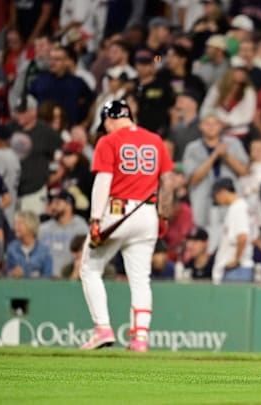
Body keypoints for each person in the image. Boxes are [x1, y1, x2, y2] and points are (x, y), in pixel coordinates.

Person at [79, 99, 175, 352]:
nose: (106, 128)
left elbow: (103, 181)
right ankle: (140, 338)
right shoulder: (155, 140)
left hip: (116, 211)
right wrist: (163, 216)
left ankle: (102, 328)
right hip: (147, 213)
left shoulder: (108, 141)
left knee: (89, 269)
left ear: (110, 119)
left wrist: (95, 219)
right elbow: (168, 181)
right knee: (141, 278)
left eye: (105, 124)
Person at [211, 177, 254, 283]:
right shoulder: (239, 206)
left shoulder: (238, 208)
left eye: (216, 195)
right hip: (237, 269)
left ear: (223, 192)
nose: (216, 199)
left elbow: (242, 237)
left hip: (237, 270)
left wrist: (236, 260)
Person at [37, 190, 89, 276]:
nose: (53, 207)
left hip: (71, 276)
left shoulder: (81, 227)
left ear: (69, 206)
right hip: (46, 279)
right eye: (52, 203)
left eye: (57, 203)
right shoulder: (44, 228)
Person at [6, 210, 52, 278]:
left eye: (19, 224)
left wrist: (25, 272)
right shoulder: (12, 248)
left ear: (30, 225)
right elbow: (7, 275)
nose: (16, 227)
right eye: (15, 224)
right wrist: (13, 274)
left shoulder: (44, 251)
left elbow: (47, 278)